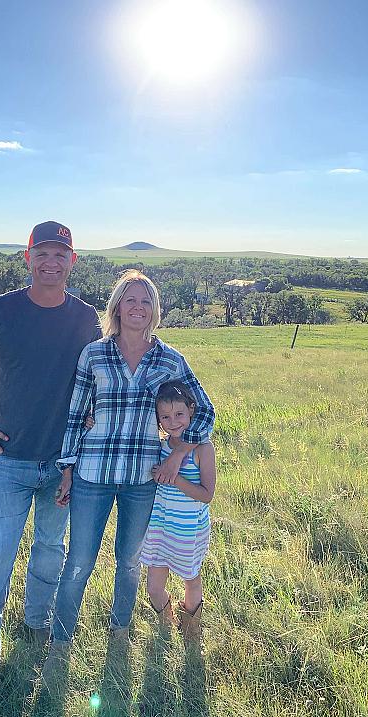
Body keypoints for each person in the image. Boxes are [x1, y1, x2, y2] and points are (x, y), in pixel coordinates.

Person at [40, 270, 214, 691]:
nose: (138, 308)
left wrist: (179, 450)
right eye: (129, 300)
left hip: (142, 478)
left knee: (129, 562)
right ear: (116, 306)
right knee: (79, 560)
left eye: (146, 301)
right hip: (93, 475)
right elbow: (74, 416)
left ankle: (120, 633)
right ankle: (61, 639)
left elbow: (204, 412)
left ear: (155, 310)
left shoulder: (170, 359)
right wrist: (67, 468)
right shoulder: (94, 355)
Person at [0, 220, 101, 692]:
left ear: (72, 261)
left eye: (61, 255)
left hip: (60, 463)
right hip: (9, 462)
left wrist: (81, 450)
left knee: (50, 551)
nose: (51, 263)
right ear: (27, 257)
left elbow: (98, 376)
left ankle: (36, 630)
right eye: (43, 254)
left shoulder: (85, 318)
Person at [140, 380, 216, 643]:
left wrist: (175, 478)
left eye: (179, 414)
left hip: (187, 530)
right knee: (153, 586)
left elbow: (207, 494)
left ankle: (192, 632)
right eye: (165, 417)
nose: (173, 422)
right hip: (160, 528)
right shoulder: (158, 446)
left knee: (190, 579)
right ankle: (167, 625)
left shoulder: (202, 448)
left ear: (192, 411)